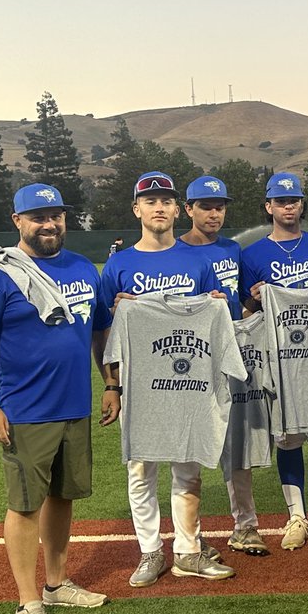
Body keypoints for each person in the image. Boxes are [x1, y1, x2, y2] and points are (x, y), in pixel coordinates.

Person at [0, 184, 117, 614]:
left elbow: (100, 331)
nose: (49, 224)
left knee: (63, 496)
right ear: (18, 222)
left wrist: (111, 384)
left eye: (56, 216)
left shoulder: (84, 268)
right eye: (38, 217)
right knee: (25, 504)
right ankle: (27, 604)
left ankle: (56, 583)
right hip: (25, 410)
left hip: (74, 405)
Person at [100, 171, 233, 586]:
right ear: (137, 209)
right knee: (140, 469)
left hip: (188, 384)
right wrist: (112, 385)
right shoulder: (119, 266)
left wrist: (218, 305)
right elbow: (105, 333)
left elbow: (216, 321)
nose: (159, 208)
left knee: (187, 469)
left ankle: (188, 551)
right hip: (139, 388)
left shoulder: (199, 260)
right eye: (150, 201)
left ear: (177, 209)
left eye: (166, 201)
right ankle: (150, 552)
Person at [240, 172, 308, 550]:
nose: (289, 206)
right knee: (287, 438)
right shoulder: (253, 255)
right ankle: (296, 516)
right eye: (281, 201)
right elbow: (246, 313)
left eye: (294, 200)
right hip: (279, 360)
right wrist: (254, 298)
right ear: (269, 207)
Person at [178, 175, 268, 556]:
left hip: (234, 352)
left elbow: (245, 302)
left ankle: (244, 525)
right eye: (205, 207)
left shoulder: (233, 249)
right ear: (189, 210)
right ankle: (190, 538)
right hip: (195, 356)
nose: (214, 214)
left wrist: (260, 307)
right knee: (192, 447)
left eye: (219, 207)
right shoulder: (175, 252)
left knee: (237, 442)